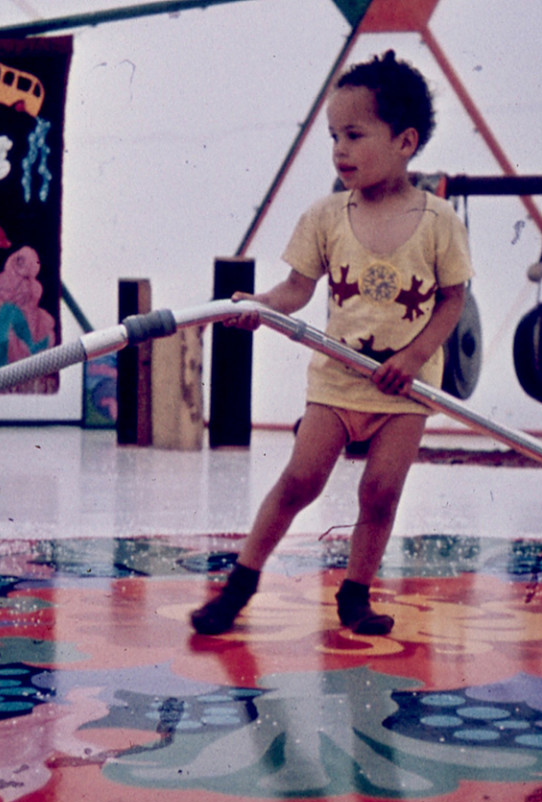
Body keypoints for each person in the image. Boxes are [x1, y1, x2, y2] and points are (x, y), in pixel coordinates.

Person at [191, 51, 472, 636]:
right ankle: (239, 585)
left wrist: (414, 357)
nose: (339, 149)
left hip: (406, 385)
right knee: (300, 480)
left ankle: (356, 595)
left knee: (381, 491)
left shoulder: (442, 222)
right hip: (339, 380)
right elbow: (297, 288)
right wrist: (262, 307)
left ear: (404, 141)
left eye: (355, 134)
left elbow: (452, 301)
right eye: (332, 137)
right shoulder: (325, 216)